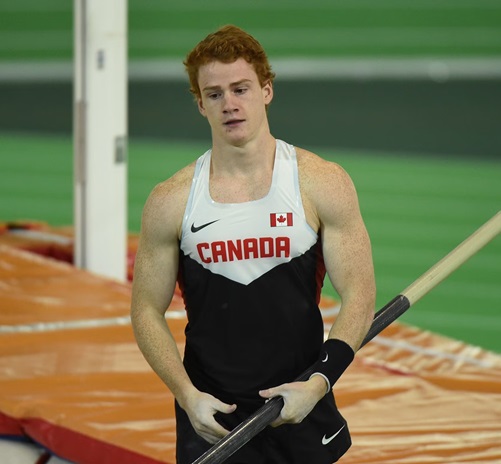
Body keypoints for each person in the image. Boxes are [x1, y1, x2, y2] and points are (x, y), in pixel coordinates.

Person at [131, 25, 376, 464]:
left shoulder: (321, 183)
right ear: (199, 103)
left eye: (241, 88)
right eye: (214, 94)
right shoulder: (170, 200)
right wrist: (186, 395)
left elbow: (359, 293)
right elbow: (146, 309)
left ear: (266, 90)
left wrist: (318, 384)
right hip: (212, 418)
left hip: (303, 405)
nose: (230, 104)